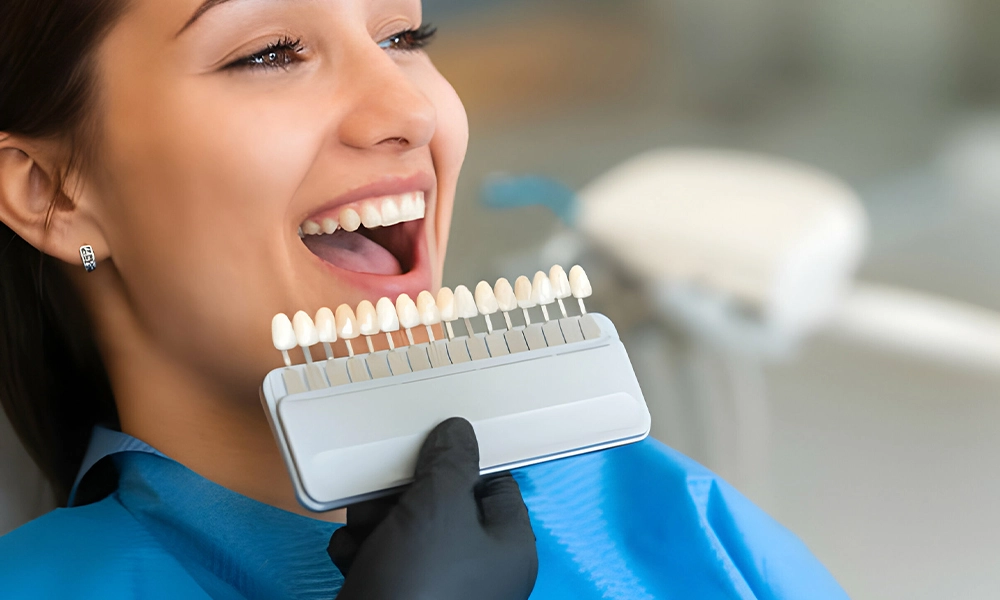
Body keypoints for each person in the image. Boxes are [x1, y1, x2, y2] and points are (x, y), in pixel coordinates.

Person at [0, 0, 849, 598]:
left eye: (405, 33)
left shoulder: (668, 517)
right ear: (49, 192)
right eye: (267, 52)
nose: (408, 108)